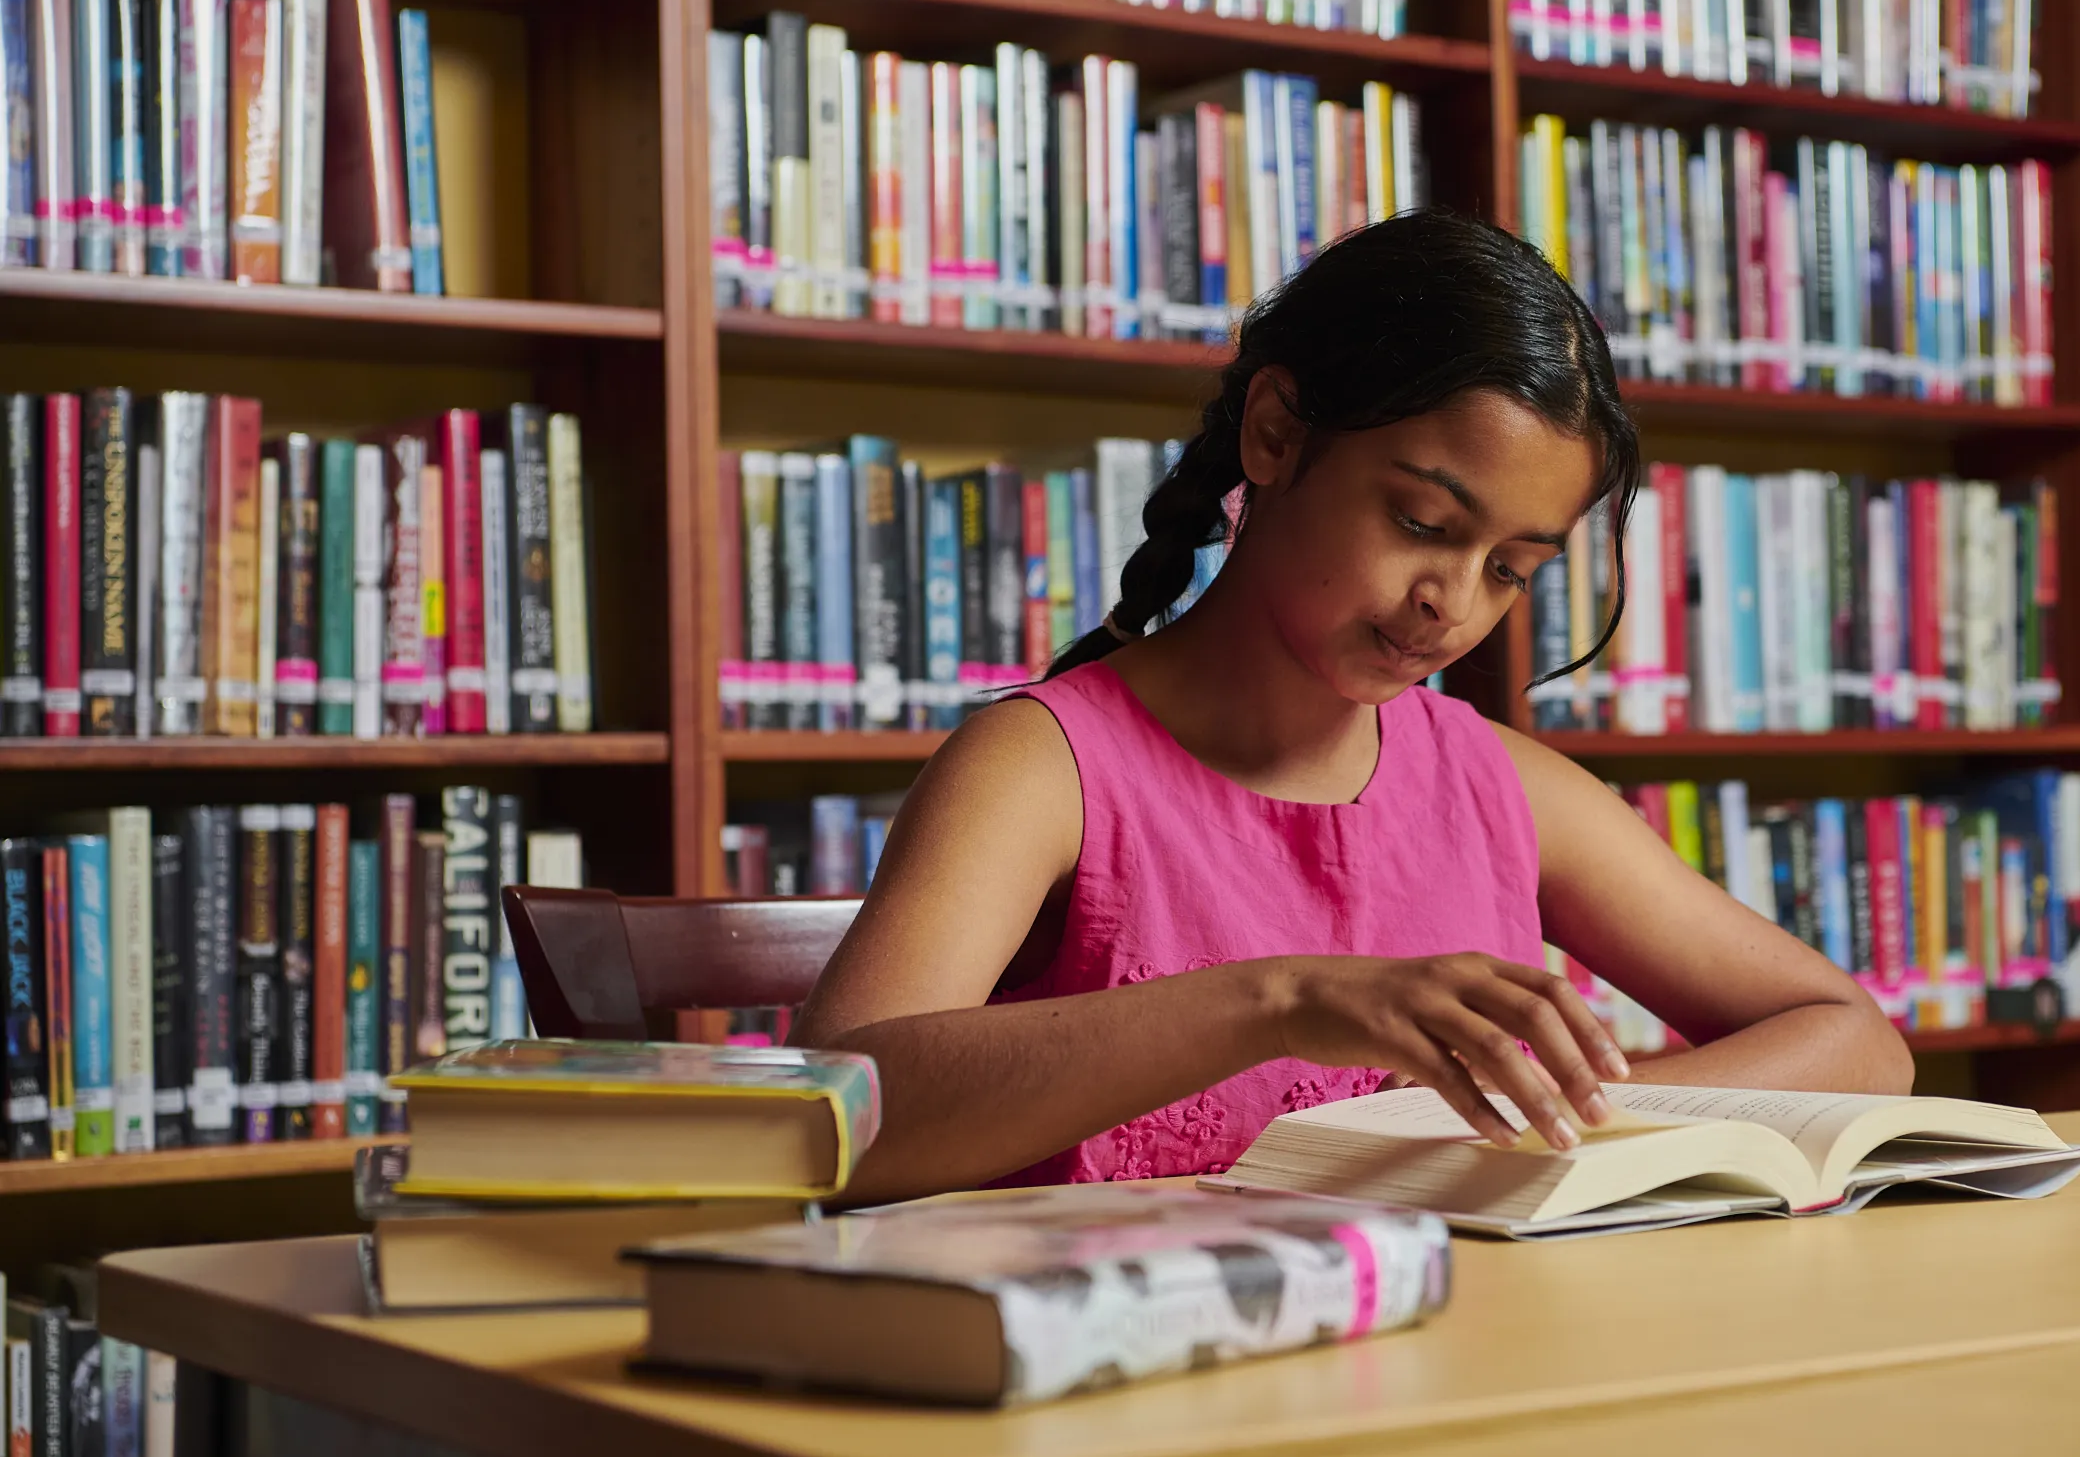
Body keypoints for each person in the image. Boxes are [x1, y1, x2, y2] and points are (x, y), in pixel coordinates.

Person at [791, 211, 1912, 1200]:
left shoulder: (1496, 782)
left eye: (1511, 568)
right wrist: (1278, 1001)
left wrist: (1543, 1111)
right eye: (1423, 522)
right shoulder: (1041, 767)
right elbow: (833, 1118)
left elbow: (1854, 1039)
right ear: (1276, 433)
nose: (1450, 605)